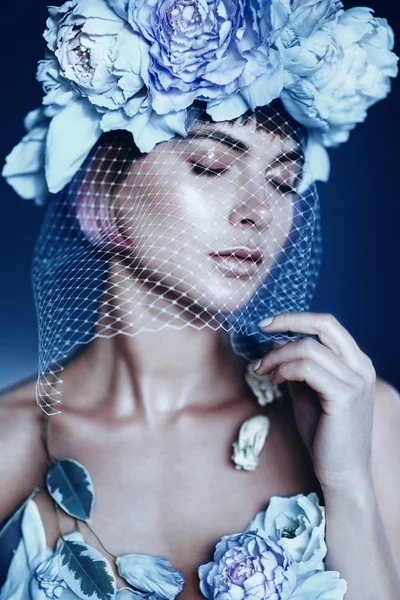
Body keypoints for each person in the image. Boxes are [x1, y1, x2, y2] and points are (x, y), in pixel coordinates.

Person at [0, 1, 400, 599]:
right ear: (102, 196)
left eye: (284, 181)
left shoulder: (361, 420)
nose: (259, 211)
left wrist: (345, 482)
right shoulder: (10, 437)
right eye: (211, 165)